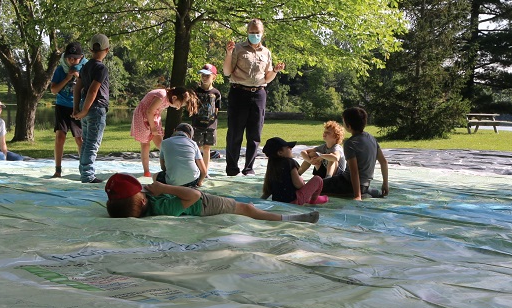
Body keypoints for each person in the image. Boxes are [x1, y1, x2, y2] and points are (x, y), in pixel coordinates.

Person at [104, 173, 319, 224]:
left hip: (201, 202)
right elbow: (194, 195)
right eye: (142, 192)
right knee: (246, 209)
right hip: (203, 205)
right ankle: (289, 219)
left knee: (245, 206)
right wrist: (164, 187)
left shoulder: (145, 204)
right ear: (142, 201)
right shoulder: (163, 207)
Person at [222, 18, 285, 176]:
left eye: (257, 32)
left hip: (259, 94)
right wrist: (229, 53)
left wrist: (275, 71)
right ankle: (232, 168)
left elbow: (267, 78)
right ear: (247, 32)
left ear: (262, 33)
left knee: (255, 134)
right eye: (252, 32)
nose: (254, 35)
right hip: (238, 92)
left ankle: (249, 168)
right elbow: (227, 72)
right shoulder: (237, 48)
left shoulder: (266, 52)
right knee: (235, 133)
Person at [321, 107, 389, 200]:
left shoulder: (350, 143)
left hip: (348, 185)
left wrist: (357, 196)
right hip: (365, 185)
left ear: (348, 126)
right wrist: (385, 184)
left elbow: (354, 171)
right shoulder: (372, 138)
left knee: (316, 185)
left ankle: (360, 193)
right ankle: (367, 192)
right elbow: (384, 162)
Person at [130, 87, 199, 178]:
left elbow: (157, 110)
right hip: (143, 116)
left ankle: (171, 167)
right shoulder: (162, 95)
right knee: (145, 144)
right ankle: (146, 171)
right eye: (179, 105)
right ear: (174, 98)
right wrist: (153, 128)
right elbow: (149, 111)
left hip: (153, 117)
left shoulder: (168, 99)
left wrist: (156, 125)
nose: (178, 108)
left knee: (162, 145)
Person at [72, 33, 111, 184]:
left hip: (85, 106)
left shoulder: (85, 66)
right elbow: (93, 91)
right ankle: (87, 176)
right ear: (107, 49)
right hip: (96, 108)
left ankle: (84, 172)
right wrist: (84, 110)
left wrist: (77, 108)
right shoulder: (101, 68)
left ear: (90, 49)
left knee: (86, 141)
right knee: (91, 144)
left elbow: (77, 89)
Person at [49, 42, 85, 177]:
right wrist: (67, 78)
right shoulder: (60, 70)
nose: (71, 61)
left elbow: (89, 88)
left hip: (78, 107)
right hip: (62, 105)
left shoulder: (85, 69)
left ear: (81, 57)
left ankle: (84, 169)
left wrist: (77, 76)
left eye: (75, 58)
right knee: (60, 137)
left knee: (80, 139)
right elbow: (53, 90)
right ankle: (58, 170)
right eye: (69, 58)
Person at [260, 137, 328, 205]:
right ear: (280, 152)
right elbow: (298, 185)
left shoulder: (272, 167)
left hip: (277, 201)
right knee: (318, 179)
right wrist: (301, 180)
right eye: (288, 147)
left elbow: (268, 190)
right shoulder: (290, 162)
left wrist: (260, 201)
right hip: (293, 200)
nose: (291, 148)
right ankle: (312, 201)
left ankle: (309, 199)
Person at [155, 123, 206, 188]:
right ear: (190, 135)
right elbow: (204, 171)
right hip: (192, 181)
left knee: (155, 176)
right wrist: (199, 182)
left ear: (174, 131)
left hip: (172, 182)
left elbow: (163, 167)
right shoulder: (193, 143)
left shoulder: (164, 143)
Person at [191, 64, 222, 170]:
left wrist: (213, 121)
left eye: (207, 76)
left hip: (210, 125)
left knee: (207, 148)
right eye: (202, 75)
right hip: (197, 125)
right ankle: (196, 169)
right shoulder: (196, 92)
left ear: (214, 77)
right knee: (197, 148)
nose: (204, 77)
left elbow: (217, 109)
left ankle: (205, 170)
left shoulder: (216, 93)